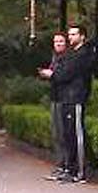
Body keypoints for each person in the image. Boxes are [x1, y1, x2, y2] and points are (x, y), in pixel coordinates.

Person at [39, 24, 97, 183]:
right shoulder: (74, 53)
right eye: (69, 34)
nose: (70, 37)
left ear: (82, 36)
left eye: (73, 34)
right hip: (67, 97)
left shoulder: (83, 54)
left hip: (76, 97)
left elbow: (66, 74)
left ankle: (81, 171)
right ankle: (70, 169)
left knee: (77, 134)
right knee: (68, 134)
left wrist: (53, 74)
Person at [38, 32, 69, 181]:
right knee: (56, 133)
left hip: (65, 98)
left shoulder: (68, 58)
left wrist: (52, 74)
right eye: (56, 41)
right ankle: (60, 165)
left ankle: (67, 165)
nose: (58, 44)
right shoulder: (55, 58)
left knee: (63, 133)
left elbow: (63, 75)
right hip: (55, 97)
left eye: (61, 41)